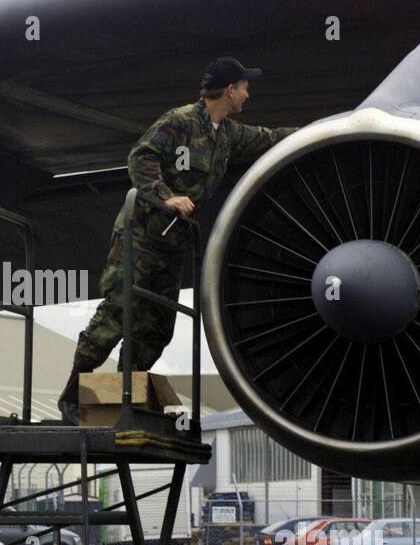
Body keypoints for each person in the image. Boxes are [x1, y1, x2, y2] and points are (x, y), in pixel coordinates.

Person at [58, 57, 297, 422]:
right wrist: (164, 195)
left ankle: (125, 396)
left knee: (156, 324)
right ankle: (73, 393)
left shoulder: (227, 134)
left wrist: (328, 127)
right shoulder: (179, 121)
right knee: (119, 309)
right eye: (245, 86)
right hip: (141, 232)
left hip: (172, 240)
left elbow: (271, 137)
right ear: (230, 90)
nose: (249, 93)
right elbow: (141, 156)